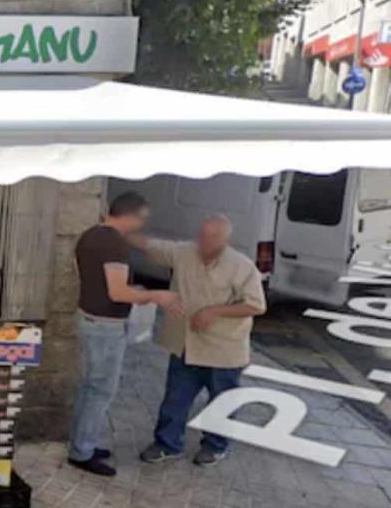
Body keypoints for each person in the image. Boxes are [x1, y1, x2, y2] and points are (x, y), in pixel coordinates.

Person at [136, 215, 266, 467]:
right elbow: (153, 247)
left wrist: (214, 312)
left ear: (224, 240)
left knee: (221, 401)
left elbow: (256, 305)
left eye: (211, 236)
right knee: (175, 398)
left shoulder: (242, 266)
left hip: (223, 350)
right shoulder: (184, 253)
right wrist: (121, 228)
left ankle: (215, 446)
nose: (203, 240)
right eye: (202, 234)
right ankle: (167, 444)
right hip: (186, 345)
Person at [68, 191, 180, 477]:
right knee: (100, 391)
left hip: (88, 318)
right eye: (141, 219)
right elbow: (117, 292)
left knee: (89, 388)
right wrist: (157, 295)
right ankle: (82, 452)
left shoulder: (90, 235)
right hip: (105, 326)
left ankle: (81, 443)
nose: (141, 225)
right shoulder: (114, 244)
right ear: (131, 215)